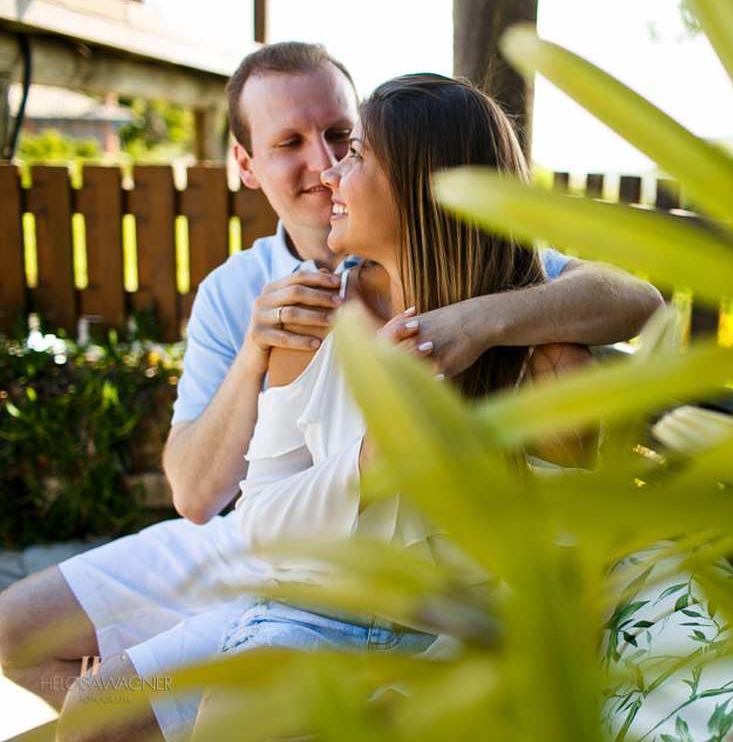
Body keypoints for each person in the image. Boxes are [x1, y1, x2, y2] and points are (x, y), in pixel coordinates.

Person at [0, 43, 662, 742]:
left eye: (347, 143)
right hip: (292, 574)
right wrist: (297, 393)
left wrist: (473, 325)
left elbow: (636, 303)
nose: (326, 165)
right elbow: (211, 501)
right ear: (247, 165)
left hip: (438, 618)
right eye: (290, 143)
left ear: (425, 183)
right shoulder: (279, 304)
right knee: (91, 703)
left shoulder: (528, 312)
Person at [191, 71, 597, 737]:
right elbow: (259, 520)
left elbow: (555, 574)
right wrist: (373, 457)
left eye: (355, 155)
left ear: (424, 183)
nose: (329, 176)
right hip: (313, 617)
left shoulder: (548, 365)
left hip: (466, 640)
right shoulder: (312, 319)